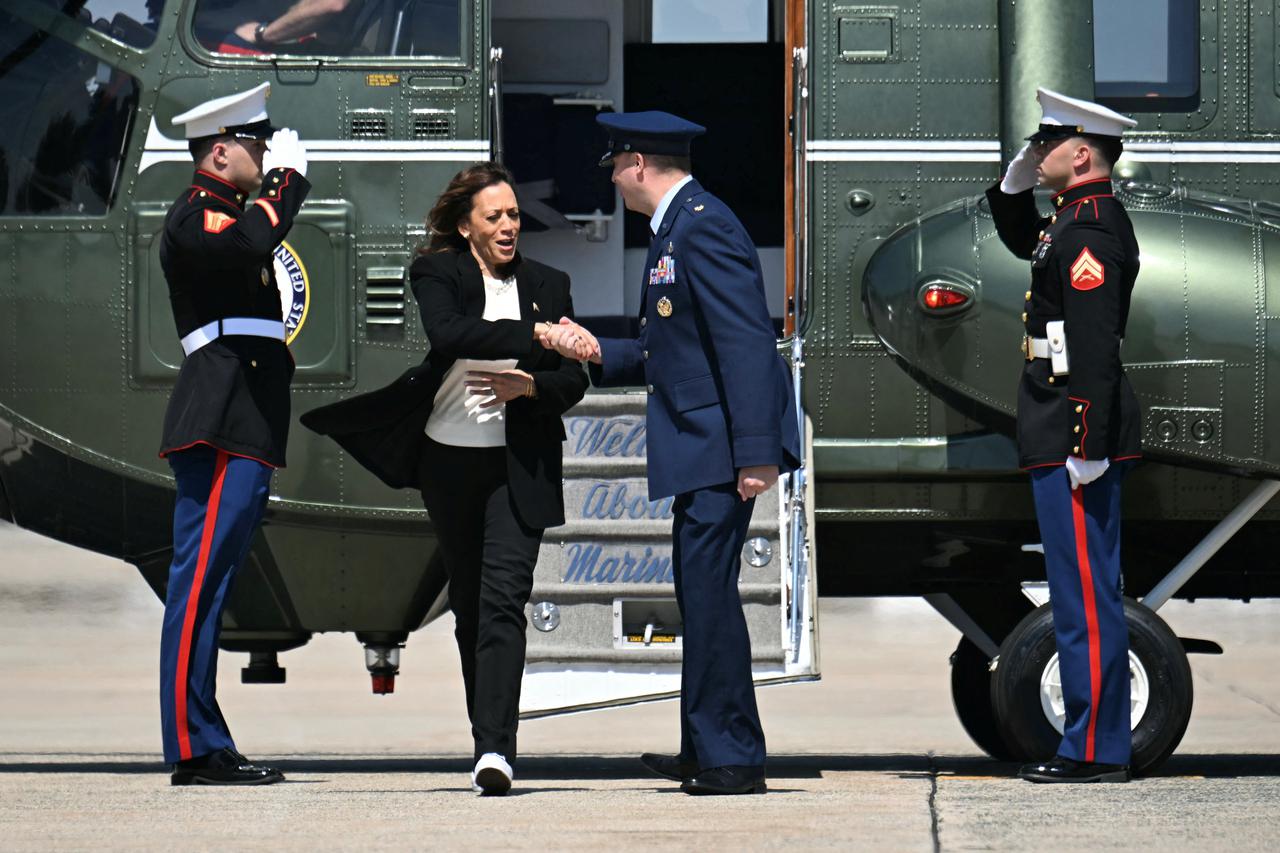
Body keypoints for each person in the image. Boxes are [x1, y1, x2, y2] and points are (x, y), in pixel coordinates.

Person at [300, 162, 588, 796]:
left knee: (504, 599)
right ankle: (484, 730)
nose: (510, 225)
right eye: (495, 216)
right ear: (466, 226)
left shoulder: (551, 282)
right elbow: (450, 334)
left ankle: (495, 750)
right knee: (469, 604)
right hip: (450, 463)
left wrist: (534, 382)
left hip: (519, 465)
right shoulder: (439, 272)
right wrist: (540, 335)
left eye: (514, 214)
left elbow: (574, 380)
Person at [544, 112, 801, 796]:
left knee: (710, 596)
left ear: (636, 163)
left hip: (720, 444)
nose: (613, 180)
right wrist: (594, 348)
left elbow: (746, 341)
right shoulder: (679, 226)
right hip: (704, 441)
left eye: (615, 166)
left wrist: (755, 452)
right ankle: (705, 745)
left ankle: (732, 755)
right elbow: (667, 350)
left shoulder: (701, 224)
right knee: (701, 592)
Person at [986, 88, 1142, 784]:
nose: (1034, 152)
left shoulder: (1090, 231)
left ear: (1082, 154)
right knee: (1076, 591)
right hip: (1057, 421)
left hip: (1072, 428)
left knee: (1084, 594)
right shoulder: (1069, 221)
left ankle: (1097, 746)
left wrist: (1087, 442)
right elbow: (1024, 237)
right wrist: (1016, 177)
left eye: (1046, 144)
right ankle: (1090, 739)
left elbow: (1093, 346)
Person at [158, 82, 310, 785]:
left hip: (247, 418)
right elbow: (252, 239)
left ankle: (207, 739)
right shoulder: (195, 215)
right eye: (253, 143)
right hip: (220, 418)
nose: (263, 151)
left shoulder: (231, 212)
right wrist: (288, 183)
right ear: (219, 151)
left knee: (213, 586)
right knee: (196, 588)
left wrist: (275, 185)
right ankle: (193, 746)